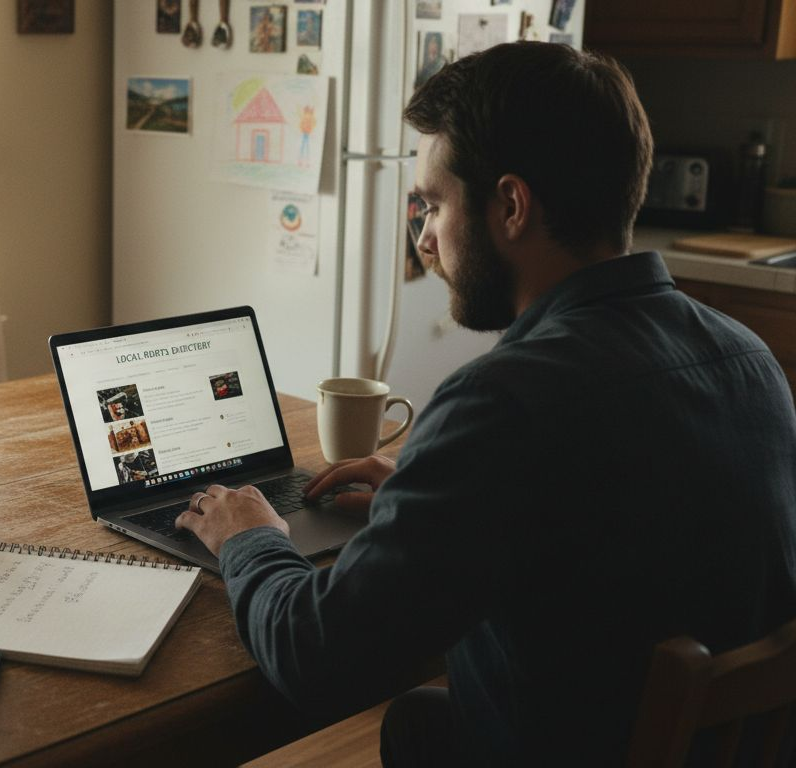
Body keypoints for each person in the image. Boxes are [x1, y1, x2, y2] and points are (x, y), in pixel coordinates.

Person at [175, 41, 796, 766]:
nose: (426, 240)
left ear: (510, 205)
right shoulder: (749, 356)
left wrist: (248, 534)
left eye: (434, 204)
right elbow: (606, 529)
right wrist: (430, 502)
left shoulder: (506, 401)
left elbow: (317, 658)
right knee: (422, 717)